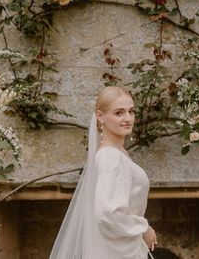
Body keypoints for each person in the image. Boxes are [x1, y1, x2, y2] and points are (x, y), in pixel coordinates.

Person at [49, 86, 158, 258]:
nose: (128, 118)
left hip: (123, 245)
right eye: (119, 113)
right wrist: (143, 228)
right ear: (100, 116)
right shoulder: (111, 158)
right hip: (119, 251)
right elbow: (107, 212)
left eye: (131, 111)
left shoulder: (117, 153)